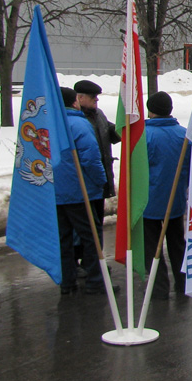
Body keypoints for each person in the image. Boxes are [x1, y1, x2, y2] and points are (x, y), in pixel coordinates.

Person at [55, 86, 109, 295]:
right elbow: (91, 159)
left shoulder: (48, 124)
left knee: (64, 239)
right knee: (91, 237)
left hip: (57, 192)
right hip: (81, 192)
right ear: (75, 101)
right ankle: (95, 280)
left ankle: (66, 282)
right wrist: (101, 182)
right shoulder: (79, 124)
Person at [142, 91, 191, 300]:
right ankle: (182, 282)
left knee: (152, 247)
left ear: (150, 110)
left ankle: (158, 286)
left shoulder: (144, 136)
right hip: (176, 198)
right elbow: (189, 167)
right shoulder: (183, 134)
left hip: (149, 201)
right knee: (177, 243)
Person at [73, 79, 120, 200]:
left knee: (98, 217)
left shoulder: (98, 114)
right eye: (93, 96)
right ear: (80, 98)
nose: (96, 99)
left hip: (101, 180)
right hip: (84, 184)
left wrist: (128, 129)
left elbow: (112, 131)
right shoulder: (76, 120)